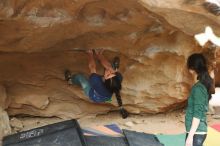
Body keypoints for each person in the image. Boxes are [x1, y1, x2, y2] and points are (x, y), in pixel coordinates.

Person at [65, 49, 128, 119]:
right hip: (106, 96)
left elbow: (92, 67)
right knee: (110, 67)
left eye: (108, 74)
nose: (109, 71)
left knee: (80, 78)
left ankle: (71, 80)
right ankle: (114, 68)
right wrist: (99, 55)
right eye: (112, 73)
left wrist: (90, 54)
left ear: (104, 80)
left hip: (94, 95)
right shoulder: (118, 77)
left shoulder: (97, 82)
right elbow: (108, 67)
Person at [185, 53, 213, 146]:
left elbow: (197, 114)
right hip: (196, 132)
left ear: (191, 68)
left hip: (196, 133)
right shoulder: (199, 86)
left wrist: (190, 136)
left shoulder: (198, 89)